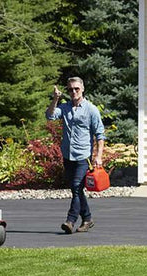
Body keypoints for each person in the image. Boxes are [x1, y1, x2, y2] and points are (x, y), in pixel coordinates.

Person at [46, 77, 105, 234]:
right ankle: (87, 218)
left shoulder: (91, 110)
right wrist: (55, 99)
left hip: (83, 156)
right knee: (76, 190)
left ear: (83, 89)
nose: (73, 92)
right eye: (71, 89)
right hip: (68, 155)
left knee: (77, 186)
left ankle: (70, 221)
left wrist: (98, 156)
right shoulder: (64, 108)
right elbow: (50, 116)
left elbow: (100, 134)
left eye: (76, 89)